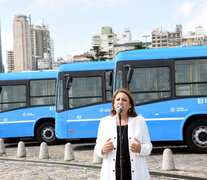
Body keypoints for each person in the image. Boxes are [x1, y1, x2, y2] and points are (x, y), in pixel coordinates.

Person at [95, 88, 152, 180]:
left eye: (124, 100)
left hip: (136, 173)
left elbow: (149, 146)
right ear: (113, 104)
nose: (120, 102)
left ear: (130, 105)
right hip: (112, 173)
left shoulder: (140, 121)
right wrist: (102, 150)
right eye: (117, 99)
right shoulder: (104, 122)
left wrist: (140, 148)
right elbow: (97, 147)